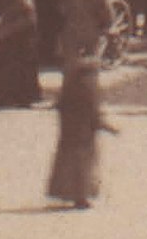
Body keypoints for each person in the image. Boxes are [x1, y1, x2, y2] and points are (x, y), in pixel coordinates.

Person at [46, 56, 113, 209]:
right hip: (85, 138)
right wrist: (108, 127)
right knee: (83, 168)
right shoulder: (89, 91)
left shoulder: (69, 89)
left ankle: (68, 194)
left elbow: (61, 108)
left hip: (69, 136)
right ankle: (81, 197)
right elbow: (94, 115)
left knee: (68, 166)